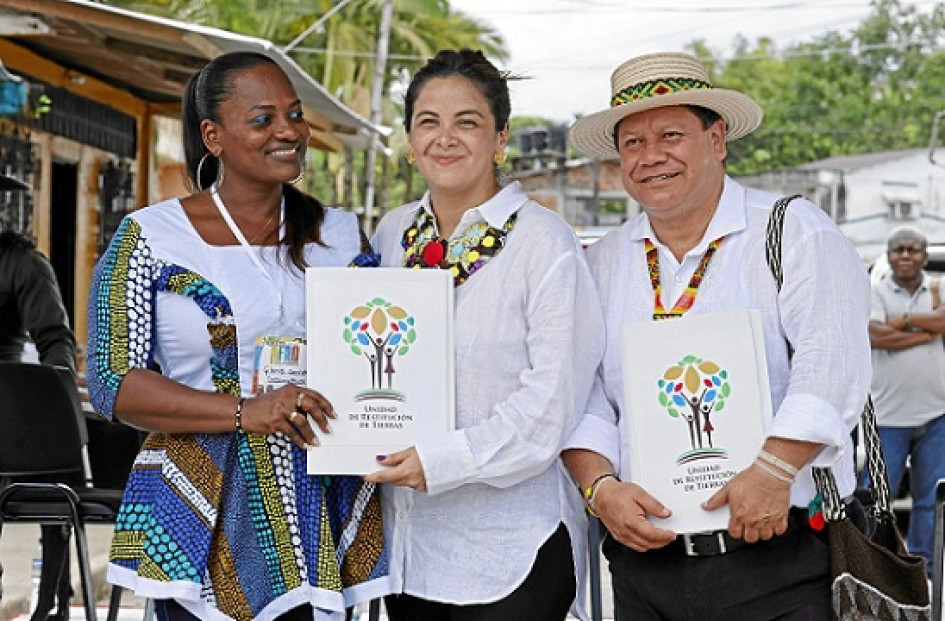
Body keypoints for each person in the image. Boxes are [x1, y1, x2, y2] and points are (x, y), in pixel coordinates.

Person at [562, 51, 871, 620]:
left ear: (717, 138)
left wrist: (774, 469)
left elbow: (833, 365)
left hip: (779, 558)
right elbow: (585, 393)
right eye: (633, 143)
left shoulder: (791, 231)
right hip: (647, 566)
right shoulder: (602, 261)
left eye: (671, 135)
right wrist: (600, 488)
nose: (651, 156)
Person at [86, 51, 389, 621]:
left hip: (321, 501)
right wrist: (247, 411)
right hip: (198, 510)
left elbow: (384, 350)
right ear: (213, 136)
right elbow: (112, 383)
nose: (288, 131)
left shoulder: (342, 235)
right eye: (262, 119)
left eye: (294, 115)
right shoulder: (150, 237)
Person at [364, 49, 605, 620]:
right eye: (428, 121)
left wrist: (441, 460)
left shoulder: (543, 243)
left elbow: (550, 407)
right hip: (409, 550)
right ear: (410, 138)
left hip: (509, 548)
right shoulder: (392, 234)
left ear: (500, 138)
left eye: (467, 122)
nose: (445, 138)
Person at [0, 172, 77, 620]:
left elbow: (54, 341)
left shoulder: (22, 261)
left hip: (8, 408)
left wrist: (54, 408)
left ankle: (51, 599)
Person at [867, 224, 945, 573]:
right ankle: (876, 567)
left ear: (924, 257)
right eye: (898, 250)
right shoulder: (874, 291)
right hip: (887, 418)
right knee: (877, 498)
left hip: (937, 414)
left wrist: (904, 320)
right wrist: (925, 335)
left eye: (912, 249)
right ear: (889, 256)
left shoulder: (938, 288)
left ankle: (923, 567)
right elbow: (875, 335)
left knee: (931, 499)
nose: (905, 255)